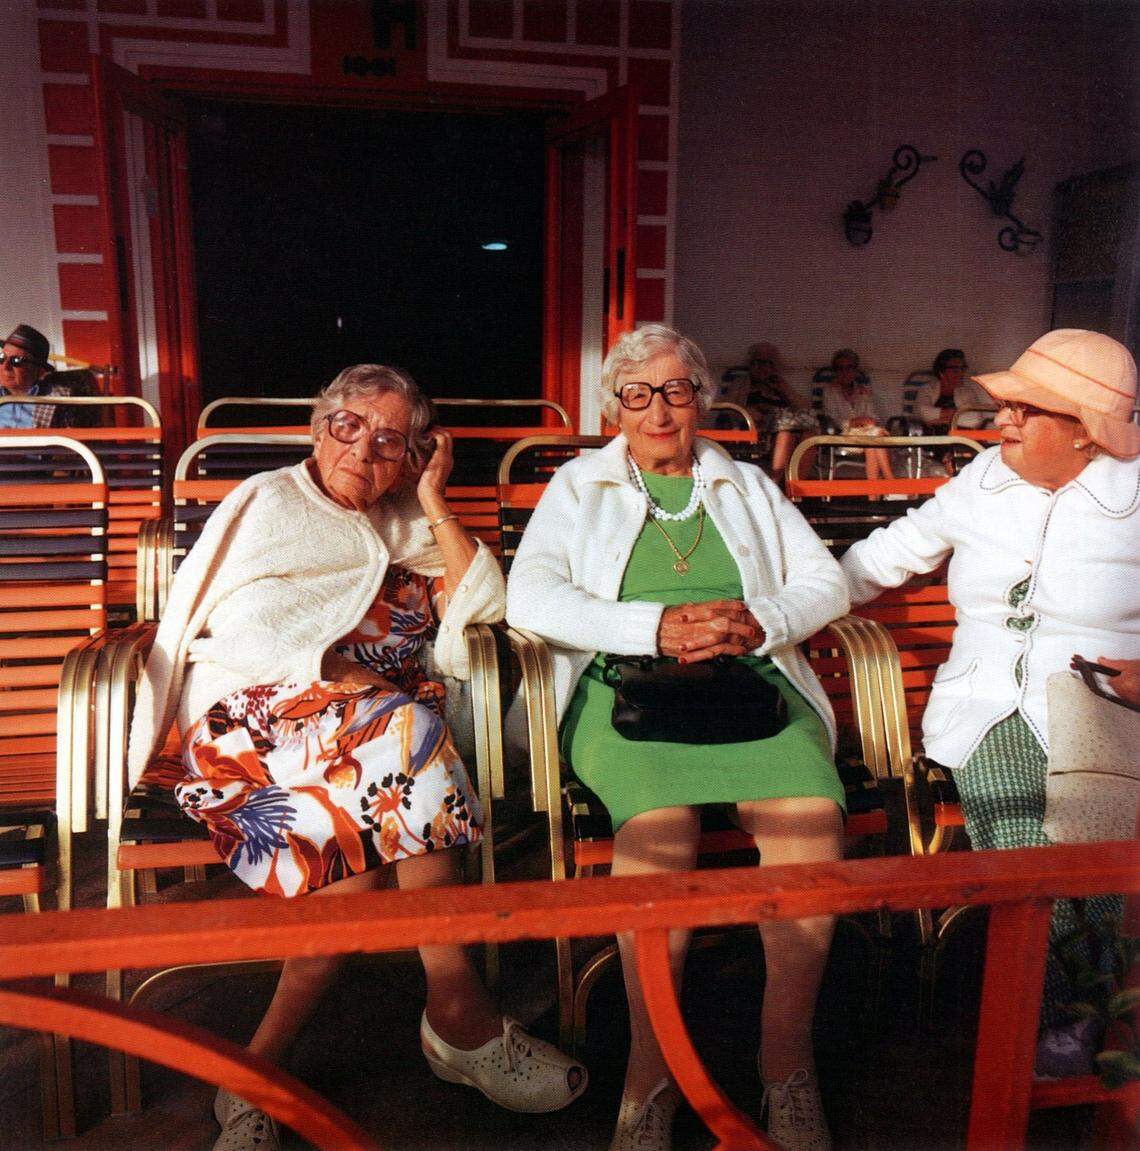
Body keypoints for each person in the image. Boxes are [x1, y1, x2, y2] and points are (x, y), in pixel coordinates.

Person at [127, 364, 586, 1151]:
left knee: (368, 843)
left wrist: (435, 502)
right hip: (256, 724)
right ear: (318, 425)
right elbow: (230, 627)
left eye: (389, 441)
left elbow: (486, 607)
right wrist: (327, 667)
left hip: (378, 743)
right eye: (348, 425)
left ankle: (254, 1070)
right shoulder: (268, 501)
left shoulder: (409, 515)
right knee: (404, 739)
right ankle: (458, 1011)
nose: (363, 449)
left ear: (412, 457)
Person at [506, 324, 850, 1151]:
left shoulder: (748, 485)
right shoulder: (577, 486)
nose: (657, 409)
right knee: (662, 834)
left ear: (699, 398)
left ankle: (784, 1066)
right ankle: (649, 1074)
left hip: (748, 686)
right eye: (636, 393)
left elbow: (824, 580)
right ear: (613, 407)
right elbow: (531, 598)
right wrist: (651, 628)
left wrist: (759, 619)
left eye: (674, 390)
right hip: (627, 691)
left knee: (811, 826)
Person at [839, 329, 1140, 1076]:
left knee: (1096, 850)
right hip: (989, 705)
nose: (999, 419)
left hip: (1105, 710)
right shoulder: (981, 481)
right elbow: (885, 554)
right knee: (1022, 850)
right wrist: (778, 610)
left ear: (1085, 433)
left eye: (1024, 409)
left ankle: (1077, 1020)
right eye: (1003, 405)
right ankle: (1073, 1020)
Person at [742, 342, 819, 480]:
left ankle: (796, 488)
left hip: (787, 428)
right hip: (758, 430)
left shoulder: (779, 384)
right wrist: (751, 411)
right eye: (758, 362)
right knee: (785, 434)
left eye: (768, 363)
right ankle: (775, 484)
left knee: (810, 434)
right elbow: (731, 406)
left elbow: (806, 408)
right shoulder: (742, 383)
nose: (763, 367)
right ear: (751, 365)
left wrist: (785, 390)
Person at [820, 348, 895, 482]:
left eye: (849, 367)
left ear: (855, 371)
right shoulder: (829, 391)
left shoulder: (864, 391)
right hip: (842, 437)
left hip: (866, 434)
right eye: (840, 368)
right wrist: (853, 422)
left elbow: (874, 416)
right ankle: (891, 482)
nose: (845, 372)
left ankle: (873, 496)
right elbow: (830, 418)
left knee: (873, 442)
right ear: (835, 371)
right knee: (876, 437)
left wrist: (869, 421)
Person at [0, 324, 75, 428]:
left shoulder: (60, 400)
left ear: (39, 371)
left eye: (16, 360)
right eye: (1, 357)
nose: (5, 366)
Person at [914, 349, 990, 432]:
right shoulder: (927, 389)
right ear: (941, 372)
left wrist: (940, 420)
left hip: (960, 440)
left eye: (963, 369)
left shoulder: (967, 392)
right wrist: (959, 414)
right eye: (955, 370)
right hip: (930, 440)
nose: (961, 373)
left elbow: (975, 420)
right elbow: (923, 413)